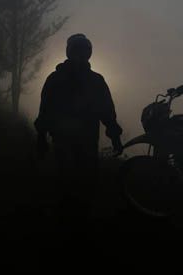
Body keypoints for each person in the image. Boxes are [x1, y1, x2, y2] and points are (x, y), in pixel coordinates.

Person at [34, 33, 123, 220]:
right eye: (77, 50)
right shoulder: (59, 79)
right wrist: (41, 136)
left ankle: (78, 216)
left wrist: (115, 135)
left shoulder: (93, 81)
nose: (80, 55)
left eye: (83, 51)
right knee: (66, 181)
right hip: (66, 140)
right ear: (70, 52)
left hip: (85, 141)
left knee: (85, 183)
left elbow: (107, 111)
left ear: (88, 53)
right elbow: (45, 110)